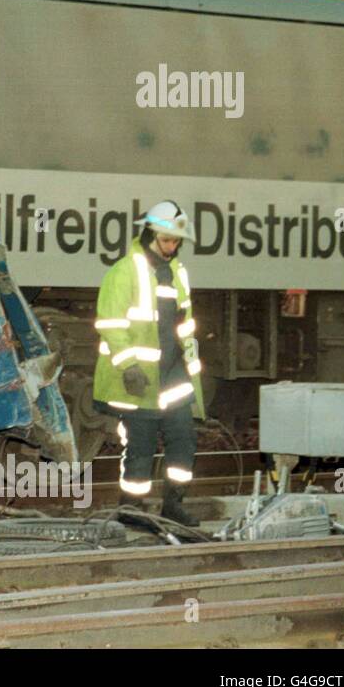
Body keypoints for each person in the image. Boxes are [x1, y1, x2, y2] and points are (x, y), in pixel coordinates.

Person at [93, 200, 204, 526]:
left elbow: (187, 326)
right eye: (167, 240)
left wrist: (194, 370)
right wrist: (129, 367)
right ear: (150, 234)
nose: (172, 247)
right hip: (139, 379)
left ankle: (174, 506)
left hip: (173, 377)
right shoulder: (124, 271)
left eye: (176, 241)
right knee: (140, 449)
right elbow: (111, 324)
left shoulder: (177, 273)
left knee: (183, 441)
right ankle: (131, 510)